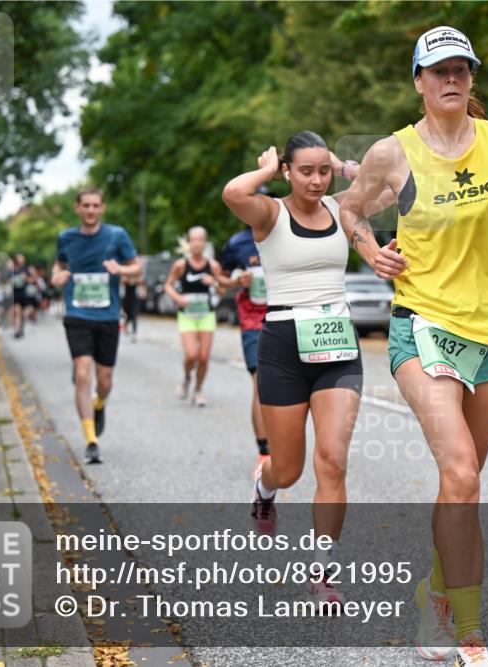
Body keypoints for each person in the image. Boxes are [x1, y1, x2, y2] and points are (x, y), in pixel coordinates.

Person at [338, 26, 488, 666]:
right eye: (438, 70)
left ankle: (432, 597)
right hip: (424, 323)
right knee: (462, 472)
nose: (451, 80)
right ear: (418, 81)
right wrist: (371, 251)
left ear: (471, 80)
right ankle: (468, 634)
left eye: (461, 70)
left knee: (461, 485)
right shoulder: (393, 152)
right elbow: (349, 210)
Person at [222, 132, 365, 608]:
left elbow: (392, 182)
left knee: (333, 460)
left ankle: (322, 572)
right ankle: (264, 488)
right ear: (288, 170)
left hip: (337, 345)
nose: (316, 180)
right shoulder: (270, 213)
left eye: (323, 170)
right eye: (306, 170)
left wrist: (347, 170)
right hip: (283, 345)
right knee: (288, 468)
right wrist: (264, 171)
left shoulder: (340, 207)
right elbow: (232, 194)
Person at [51, 187, 140, 464]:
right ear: (77, 208)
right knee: (82, 373)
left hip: (108, 316)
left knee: (105, 380)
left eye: (95, 206)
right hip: (77, 314)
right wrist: (58, 276)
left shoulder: (117, 235)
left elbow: (136, 267)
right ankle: (91, 440)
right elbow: (58, 266)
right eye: (85, 205)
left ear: (102, 208)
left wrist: (121, 270)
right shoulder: (66, 237)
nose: (90, 210)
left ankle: (99, 404)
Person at [219, 217, 271, 464]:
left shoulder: (287, 231)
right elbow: (222, 278)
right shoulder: (237, 243)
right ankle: (264, 452)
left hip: (287, 316)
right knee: (261, 382)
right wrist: (236, 282)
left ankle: (285, 443)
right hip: (252, 321)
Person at [163, 227, 229, 407]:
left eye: (200, 240)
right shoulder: (180, 265)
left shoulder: (213, 266)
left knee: (204, 357)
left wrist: (214, 283)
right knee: (191, 355)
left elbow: (223, 290)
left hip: (206, 314)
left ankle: (198, 390)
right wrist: (178, 299)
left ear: (205, 242)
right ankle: (186, 378)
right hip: (187, 316)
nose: (197, 243)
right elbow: (167, 285)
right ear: (188, 243)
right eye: (193, 240)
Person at [11, 254, 30, 338]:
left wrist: (26, 278)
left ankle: (21, 328)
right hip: (15, 294)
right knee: (17, 311)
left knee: (22, 313)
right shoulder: (12, 269)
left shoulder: (25, 270)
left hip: (23, 293)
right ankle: (17, 330)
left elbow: (32, 279)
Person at [121, 272, 142, 343]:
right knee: (127, 316)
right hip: (126, 300)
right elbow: (122, 281)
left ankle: (134, 333)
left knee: (134, 316)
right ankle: (126, 328)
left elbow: (141, 282)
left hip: (134, 300)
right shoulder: (126, 279)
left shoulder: (137, 279)